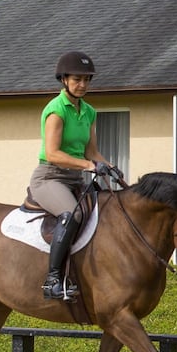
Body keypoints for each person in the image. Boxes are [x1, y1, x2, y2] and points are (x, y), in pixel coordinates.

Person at [28, 51, 121, 300]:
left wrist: (110, 167)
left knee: (107, 212)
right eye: (77, 80)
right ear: (64, 80)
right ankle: (53, 280)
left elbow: (92, 152)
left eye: (87, 80)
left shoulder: (89, 111)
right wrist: (89, 166)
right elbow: (53, 153)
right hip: (50, 177)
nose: (83, 85)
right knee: (73, 214)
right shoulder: (56, 109)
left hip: (75, 178)